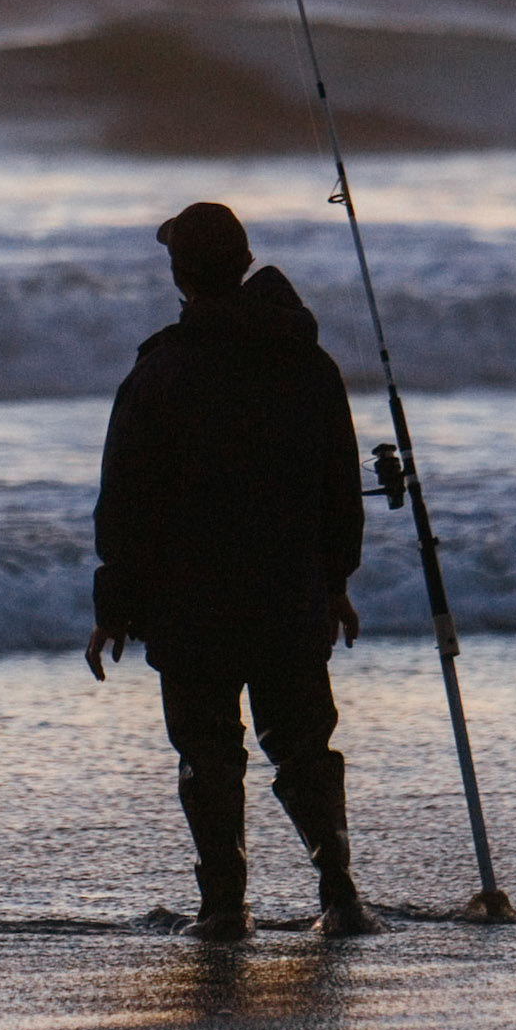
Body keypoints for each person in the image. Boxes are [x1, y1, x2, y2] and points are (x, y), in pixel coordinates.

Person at [86, 201, 379, 939]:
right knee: (304, 745)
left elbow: (126, 503)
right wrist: (335, 582)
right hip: (288, 594)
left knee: (208, 749)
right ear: (244, 265)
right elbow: (339, 489)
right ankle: (339, 893)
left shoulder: (161, 372)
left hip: (192, 605)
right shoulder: (307, 364)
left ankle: (223, 906)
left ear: (180, 274)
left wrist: (114, 605)